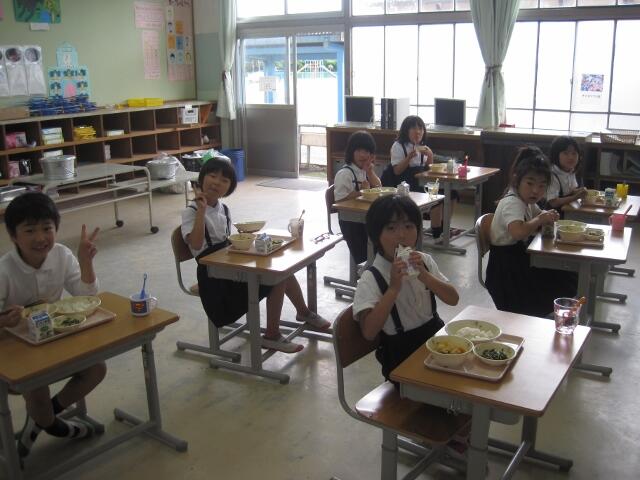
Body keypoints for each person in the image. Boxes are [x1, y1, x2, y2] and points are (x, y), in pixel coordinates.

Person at [181, 158, 330, 354]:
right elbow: (196, 244)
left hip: (228, 264)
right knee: (276, 278)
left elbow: (228, 243)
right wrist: (201, 212)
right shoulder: (191, 211)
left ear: (229, 188)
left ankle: (303, 312)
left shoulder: (223, 209)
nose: (217, 182)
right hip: (213, 279)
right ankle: (272, 335)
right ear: (202, 179)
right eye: (213, 176)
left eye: (224, 180)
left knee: (282, 270)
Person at [0, 192, 105, 459]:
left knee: (97, 368)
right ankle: (54, 424)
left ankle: (40, 421)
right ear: (13, 235)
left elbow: (87, 298)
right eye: (29, 230)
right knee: (37, 392)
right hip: (17, 353)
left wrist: (86, 262)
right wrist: (3, 322)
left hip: (54, 339)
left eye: (47, 228)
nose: (40, 238)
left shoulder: (61, 255)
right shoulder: (4, 270)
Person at [352, 195, 459, 381]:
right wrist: (393, 289)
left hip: (434, 345)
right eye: (391, 228)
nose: (401, 235)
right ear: (376, 235)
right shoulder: (372, 277)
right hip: (401, 360)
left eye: (409, 226)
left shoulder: (424, 261)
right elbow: (369, 332)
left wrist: (425, 276)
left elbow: (453, 299)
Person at [486, 146, 577, 317]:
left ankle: (555, 313)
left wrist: (548, 216)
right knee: (560, 278)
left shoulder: (526, 201)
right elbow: (518, 232)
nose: (536, 190)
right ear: (516, 180)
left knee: (566, 273)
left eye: (542, 186)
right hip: (506, 271)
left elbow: (539, 215)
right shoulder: (513, 202)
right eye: (530, 183)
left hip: (517, 260)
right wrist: (541, 219)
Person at [382, 115, 452, 239]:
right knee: (436, 195)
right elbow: (397, 171)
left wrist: (430, 155)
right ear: (406, 130)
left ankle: (444, 227)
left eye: (420, 128)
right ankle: (437, 233)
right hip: (405, 183)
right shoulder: (398, 146)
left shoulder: (422, 146)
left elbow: (429, 169)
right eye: (413, 128)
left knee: (451, 193)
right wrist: (409, 157)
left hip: (421, 181)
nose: (418, 131)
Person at [333, 130, 381, 264]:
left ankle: (375, 264)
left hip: (364, 217)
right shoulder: (345, 173)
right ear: (351, 152)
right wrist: (361, 192)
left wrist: (370, 171)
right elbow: (339, 200)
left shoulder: (364, 170)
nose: (363, 155)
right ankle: (368, 267)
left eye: (366, 151)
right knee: (374, 242)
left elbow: (379, 187)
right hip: (350, 221)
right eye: (358, 150)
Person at [543, 136, 587, 212]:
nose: (571, 157)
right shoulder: (552, 174)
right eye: (565, 153)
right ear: (556, 155)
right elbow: (553, 202)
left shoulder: (570, 170)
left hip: (567, 211)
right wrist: (576, 197)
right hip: (552, 214)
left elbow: (569, 191)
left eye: (574, 153)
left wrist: (579, 191)